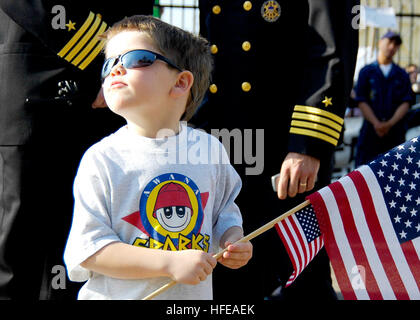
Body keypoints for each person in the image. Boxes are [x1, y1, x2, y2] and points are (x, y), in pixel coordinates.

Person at [63, 15, 253, 300]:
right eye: (110, 63)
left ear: (180, 83)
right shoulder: (101, 159)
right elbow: (89, 249)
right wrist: (168, 263)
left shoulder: (210, 150)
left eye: (137, 59)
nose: (116, 70)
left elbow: (224, 213)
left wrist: (233, 239)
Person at [192, 0, 359, 300]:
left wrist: (308, 145)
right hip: (224, 145)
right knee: (232, 274)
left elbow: (332, 51)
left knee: (300, 275)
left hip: (285, 151)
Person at [0, 1, 154, 300]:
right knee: (19, 251)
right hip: (38, 96)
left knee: (92, 246)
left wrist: (124, 67)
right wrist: (107, 64)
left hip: (111, 101)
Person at [354, 31, 412, 167]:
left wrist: (389, 124)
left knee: (394, 174)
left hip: (394, 134)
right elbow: (361, 100)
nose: (392, 47)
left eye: (396, 44)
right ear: (380, 43)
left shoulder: (401, 74)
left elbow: (406, 102)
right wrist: (377, 123)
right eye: (389, 42)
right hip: (370, 132)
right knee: (364, 172)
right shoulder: (366, 72)